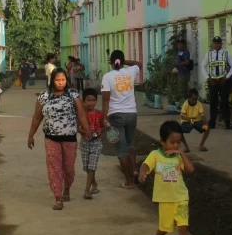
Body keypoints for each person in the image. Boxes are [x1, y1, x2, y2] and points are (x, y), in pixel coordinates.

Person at [27, 68, 92, 210]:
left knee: (69, 168)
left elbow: (81, 114)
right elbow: (37, 117)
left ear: (67, 80)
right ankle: (58, 197)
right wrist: (31, 135)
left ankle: (67, 188)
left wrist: (87, 130)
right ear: (52, 80)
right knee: (54, 167)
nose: (61, 83)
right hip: (51, 138)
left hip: (70, 137)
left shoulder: (73, 95)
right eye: (57, 80)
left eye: (63, 80)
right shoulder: (44, 96)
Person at [137, 121, 196, 235]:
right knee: (164, 228)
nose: (175, 146)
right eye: (172, 142)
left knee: (183, 228)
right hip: (165, 199)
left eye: (178, 142)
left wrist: (182, 154)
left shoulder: (178, 156)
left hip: (181, 197)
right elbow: (146, 165)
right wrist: (143, 173)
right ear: (162, 142)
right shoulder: (155, 155)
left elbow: (191, 170)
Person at [101, 49, 144, 188]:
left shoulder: (107, 77)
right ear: (122, 61)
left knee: (121, 149)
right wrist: (124, 62)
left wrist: (104, 118)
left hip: (116, 115)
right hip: (132, 114)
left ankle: (129, 181)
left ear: (111, 62)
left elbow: (106, 99)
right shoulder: (130, 72)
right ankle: (134, 171)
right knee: (131, 145)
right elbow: (139, 63)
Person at [202, 36, 232, 131]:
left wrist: (227, 77)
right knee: (213, 102)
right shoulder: (209, 54)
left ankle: (227, 122)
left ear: (221, 44)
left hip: (222, 81)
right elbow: (203, 66)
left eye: (218, 43)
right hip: (212, 81)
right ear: (212, 44)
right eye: (214, 43)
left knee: (224, 102)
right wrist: (208, 78)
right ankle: (212, 122)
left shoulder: (226, 53)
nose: (216, 45)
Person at [79, 88, 105, 199]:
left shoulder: (99, 114)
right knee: (86, 167)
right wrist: (85, 132)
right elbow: (76, 128)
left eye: (94, 100)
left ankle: (87, 190)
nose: (91, 103)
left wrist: (100, 130)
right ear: (83, 101)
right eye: (88, 100)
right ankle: (94, 184)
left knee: (92, 166)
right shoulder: (81, 115)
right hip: (85, 142)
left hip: (96, 142)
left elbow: (103, 126)